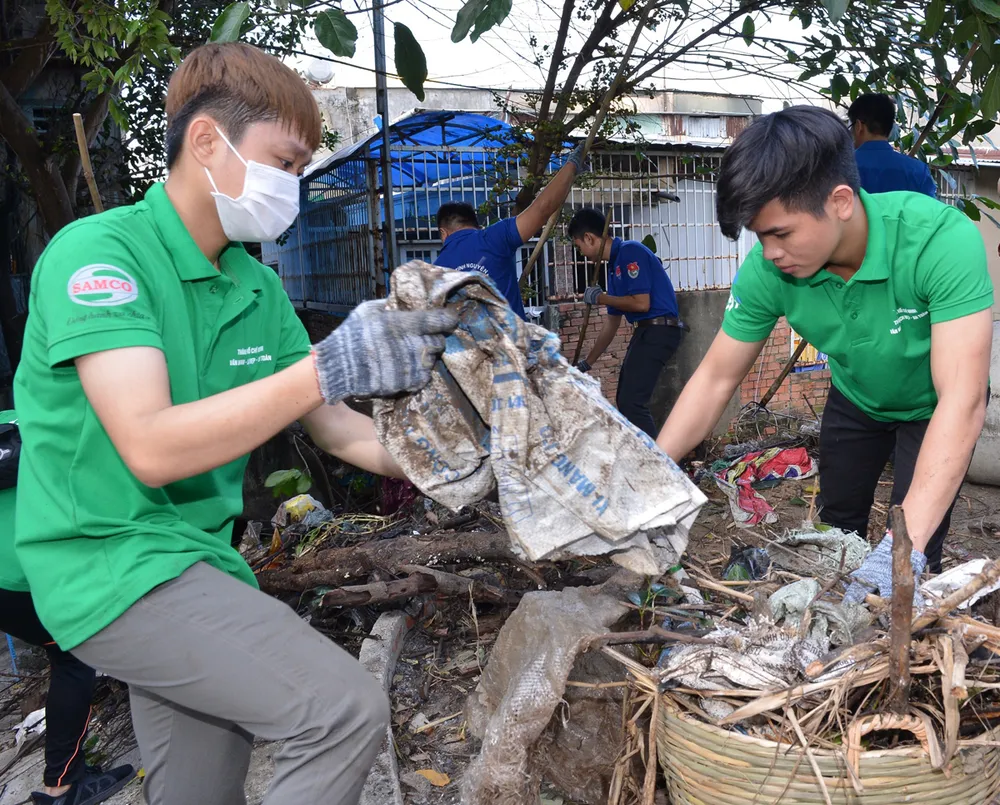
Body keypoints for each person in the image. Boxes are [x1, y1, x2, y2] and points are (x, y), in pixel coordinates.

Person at [13, 42, 457, 805]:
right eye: (284, 162)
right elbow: (149, 444)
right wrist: (329, 364)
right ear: (208, 141)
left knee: (199, 790)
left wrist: (453, 458)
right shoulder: (100, 255)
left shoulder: (256, 287)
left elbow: (336, 427)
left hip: (198, 562)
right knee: (343, 711)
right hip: (106, 565)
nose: (293, 185)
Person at [655, 105, 992, 601]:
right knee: (836, 532)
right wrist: (650, 471)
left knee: (911, 550)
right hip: (856, 398)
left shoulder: (938, 242)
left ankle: (900, 627)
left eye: (781, 233)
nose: (769, 252)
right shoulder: (771, 269)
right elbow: (715, 379)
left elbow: (961, 400)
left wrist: (903, 552)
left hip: (933, 408)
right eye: (760, 235)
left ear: (839, 202)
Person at [0, 411, 136, 805]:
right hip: (20, 578)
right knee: (73, 656)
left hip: (8, 584)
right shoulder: (46, 418)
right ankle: (63, 785)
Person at [568, 209, 686, 437]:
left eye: (579, 245)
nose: (581, 253)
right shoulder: (613, 269)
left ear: (590, 238)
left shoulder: (629, 252)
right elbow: (611, 323)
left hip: (659, 330)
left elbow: (641, 303)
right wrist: (587, 363)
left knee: (632, 403)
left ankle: (659, 465)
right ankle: (651, 461)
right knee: (625, 400)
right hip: (646, 332)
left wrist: (601, 297)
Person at [434, 142, 587, 319]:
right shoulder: (493, 238)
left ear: (443, 233)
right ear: (477, 226)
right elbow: (542, 208)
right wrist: (572, 166)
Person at [849, 93, 937, 197]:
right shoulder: (918, 171)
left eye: (851, 126)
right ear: (890, 130)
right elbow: (930, 211)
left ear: (859, 126)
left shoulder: (838, 167)